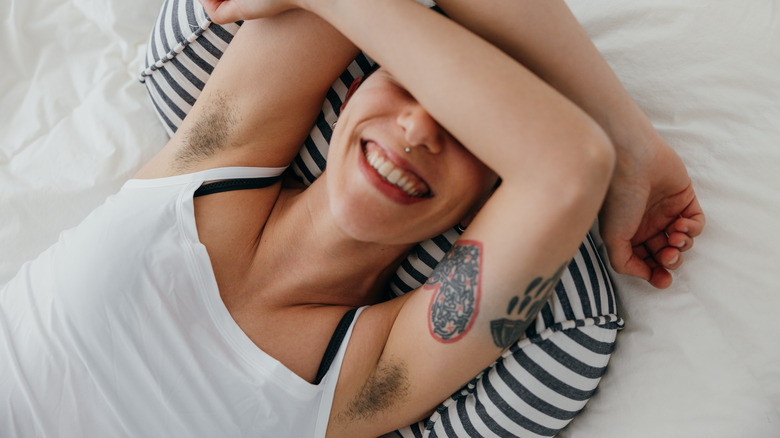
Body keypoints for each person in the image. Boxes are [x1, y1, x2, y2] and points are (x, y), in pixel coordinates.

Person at [0, 1, 704, 438]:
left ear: (495, 201)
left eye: (473, 135)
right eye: (404, 78)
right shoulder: (214, 157)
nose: (421, 128)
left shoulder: (374, 378)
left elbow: (571, 165)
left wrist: (628, 148)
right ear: (351, 89)